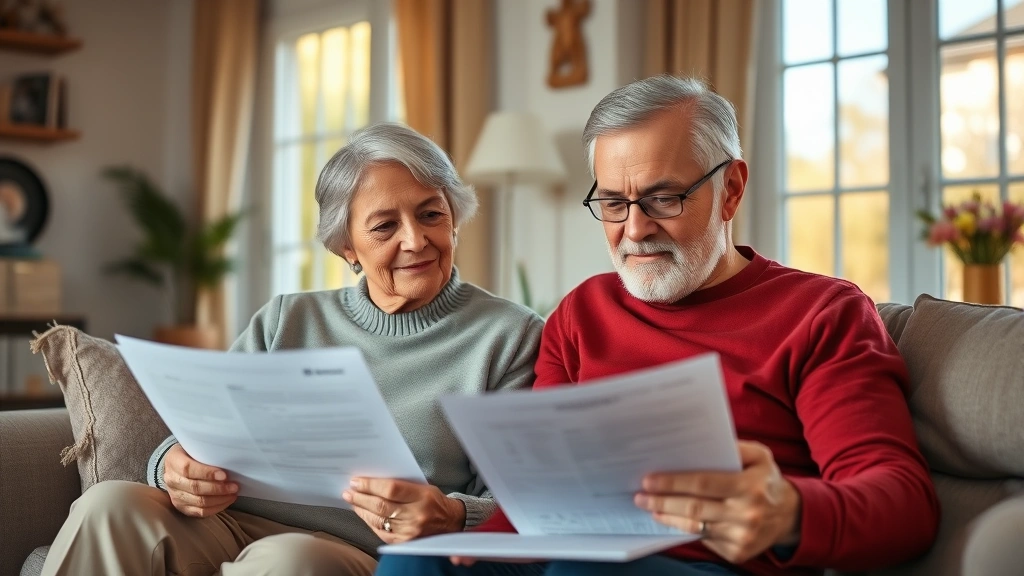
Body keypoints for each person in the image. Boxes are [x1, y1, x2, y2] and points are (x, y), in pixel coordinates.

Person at [375, 75, 940, 576]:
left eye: (663, 198)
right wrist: (464, 537)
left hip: (709, 565)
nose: (635, 230)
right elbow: (538, 495)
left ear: (732, 189)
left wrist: (788, 510)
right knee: (414, 559)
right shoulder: (581, 313)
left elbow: (905, 503)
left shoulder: (821, 313)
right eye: (614, 203)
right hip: (565, 555)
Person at [40, 123, 545, 576]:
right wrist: (170, 465)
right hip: (230, 525)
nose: (415, 240)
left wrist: (451, 513)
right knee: (107, 504)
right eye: (385, 226)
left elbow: (521, 502)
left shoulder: (508, 336)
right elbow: (198, 434)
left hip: (361, 553)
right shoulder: (288, 318)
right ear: (346, 246)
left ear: (454, 218)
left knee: (289, 560)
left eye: (431, 214)